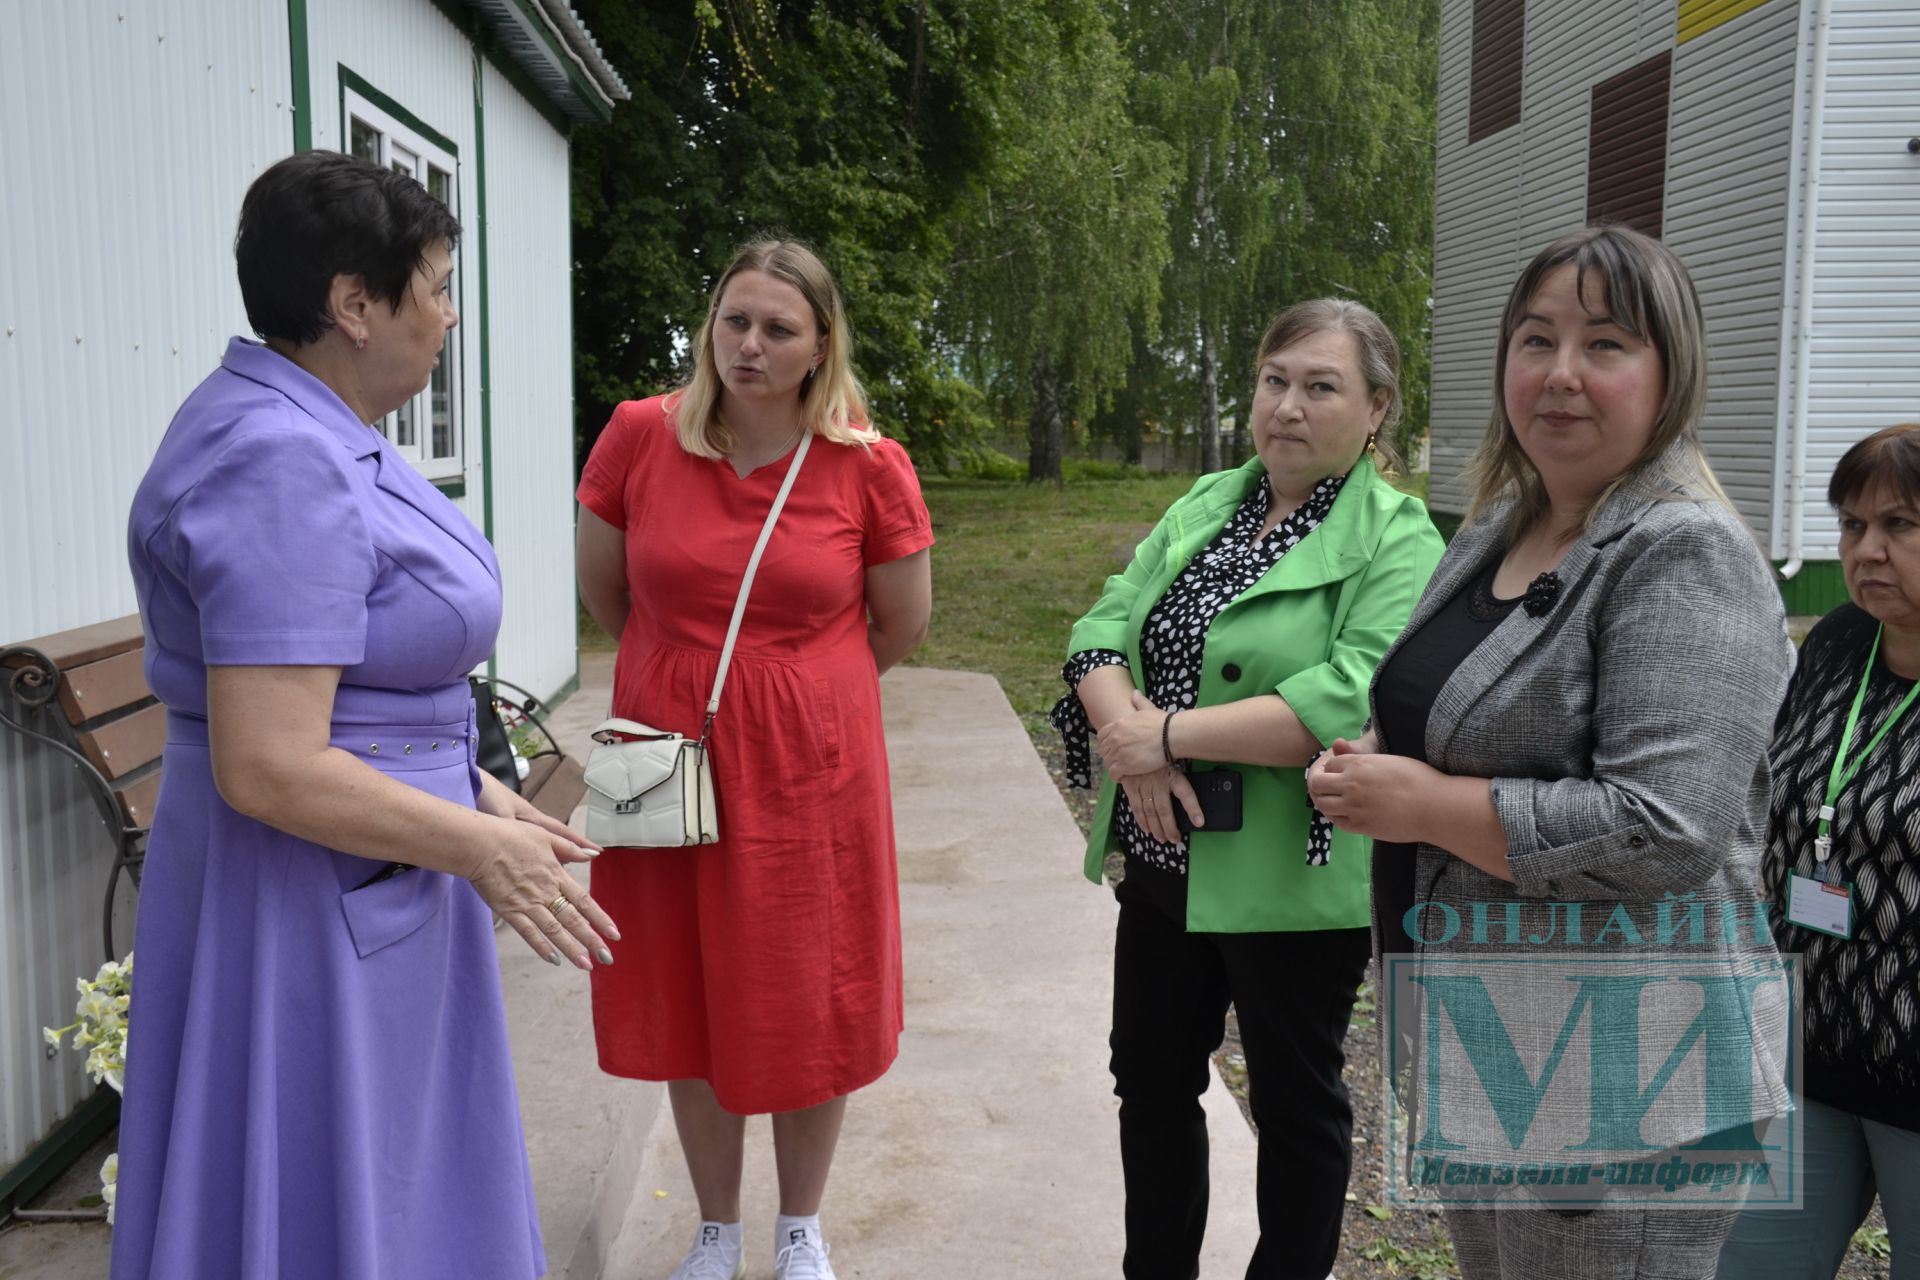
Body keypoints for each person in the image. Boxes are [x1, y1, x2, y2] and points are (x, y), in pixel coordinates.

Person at [115, 151, 615, 1280]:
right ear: (352, 303)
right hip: (304, 895)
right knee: (334, 1200)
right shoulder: (279, 458)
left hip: (361, 871)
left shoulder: (311, 428)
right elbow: (271, 763)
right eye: (434, 285)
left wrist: (471, 781)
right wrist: (483, 844)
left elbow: (357, 692)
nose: (446, 316)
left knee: (376, 1193)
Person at [1309, 225, 1795, 1279]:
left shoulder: (1685, 551)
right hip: (1486, 1045)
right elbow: (1454, 707)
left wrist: (1422, 802)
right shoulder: (1503, 525)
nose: (1561, 373)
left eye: (1606, 344)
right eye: (1536, 339)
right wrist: (1380, 755)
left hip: (1620, 1089)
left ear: (1671, 375)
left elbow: (1662, 829)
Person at [1052, 298, 1445, 1279]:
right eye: (1276, 379)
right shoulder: (1207, 501)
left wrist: (1165, 732)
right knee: (1150, 1082)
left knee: (1296, 1102)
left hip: (1289, 873)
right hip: (1164, 849)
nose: (1288, 405)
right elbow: (1099, 625)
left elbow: (1348, 690)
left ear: (1378, 407)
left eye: (1322, 386)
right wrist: (1125, 736)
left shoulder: (1401, 539)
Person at [574, 238, 933, 1280]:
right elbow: (608, 591)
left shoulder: (868, 462)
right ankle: (717, 1223)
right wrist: (679, 676)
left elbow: (899, 622)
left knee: (808, 986)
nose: (750, 344)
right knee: (685, 983)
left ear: (823, 344)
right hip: (665, 751)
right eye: (735, 320)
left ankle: (801, 1225)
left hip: (811, 765)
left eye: (779, 327)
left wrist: (795, 690)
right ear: (711, 325)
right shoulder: (643, 434)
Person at [1715, 422, 1920, 1279]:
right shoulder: (1837, 642)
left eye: (1900, 526)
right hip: (1805, 1050)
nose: (1867, 550)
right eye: (1851, 525)